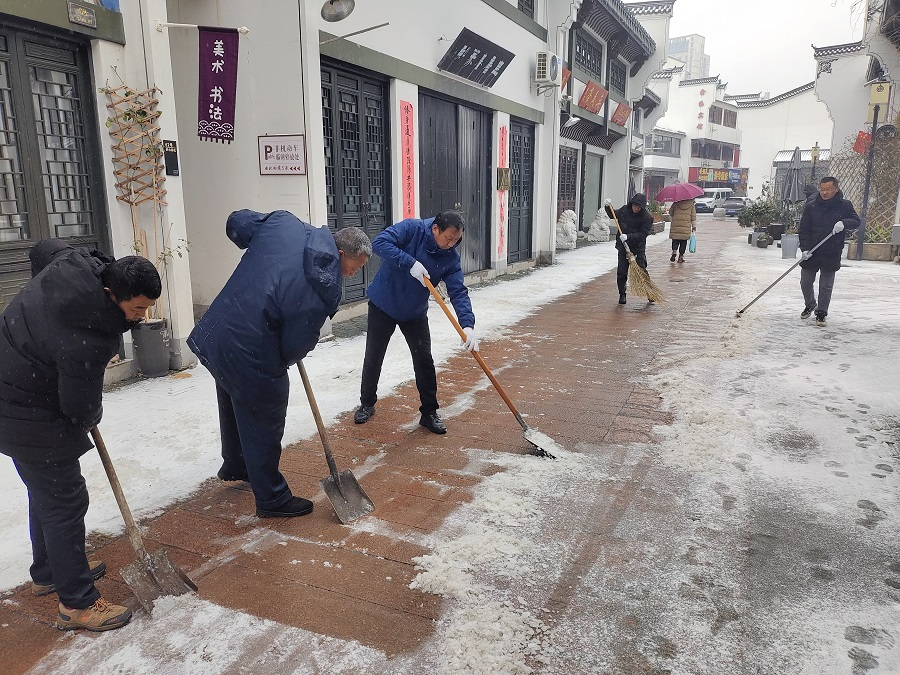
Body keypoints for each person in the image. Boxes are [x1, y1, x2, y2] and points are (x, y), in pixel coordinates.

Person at [0, 240, 161, 632]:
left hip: (11, 387)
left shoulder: (76, 265)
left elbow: (45, 249)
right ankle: (77, 603)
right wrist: (92, 414)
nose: (141, 317)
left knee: (45, 490)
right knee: (65, 501)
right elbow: (79, 406)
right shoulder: (87, 335)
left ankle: (49, 570)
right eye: (136, 309)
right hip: (25, 410)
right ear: (111, 293)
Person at [188, 211, 370, 518]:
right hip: (250, 347)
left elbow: (237, 223)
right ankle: (271, 498)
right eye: (356, 267)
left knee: (234, 393)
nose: (353, 274)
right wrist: (278, 362)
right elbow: (295, 346)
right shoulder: (324, 287)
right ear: (341, 254)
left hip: (217, 330)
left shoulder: (285, 224)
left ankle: (238, 464)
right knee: (264, 412)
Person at [353, 211, 478, 435]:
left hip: (414, 312)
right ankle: (367, 403)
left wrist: (467, 325)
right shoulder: (412, 229)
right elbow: (379, 243)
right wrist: (410, 263)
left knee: (424, 361)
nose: (451, 244)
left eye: (456, 240)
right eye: (448, 238)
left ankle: (429, 412)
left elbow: (458, 291)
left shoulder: (450, 258)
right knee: (374, 356)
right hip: (383, 304)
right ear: (435, 229)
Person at [798, 176, 860, 327]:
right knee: (805, 282)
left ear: (836, 189)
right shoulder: (811, 206)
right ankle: (810, 304)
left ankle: (821, 313)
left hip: (831, 251)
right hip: (812, 250)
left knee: (826, 285)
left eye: (828, 189)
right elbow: (804, 229)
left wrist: (843, 223)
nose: (824, 192)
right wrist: (805, 249)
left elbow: (856, 221)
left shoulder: (844, 205)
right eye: (822, 189)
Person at [605, 194, 654, 305]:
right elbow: (613, 215)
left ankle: (650, 292)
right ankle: (622, 294)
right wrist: (607, 207)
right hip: (623, 247)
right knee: (622, 272)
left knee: (641, 270)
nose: (636, 208)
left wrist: (628, 236)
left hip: (638, 248)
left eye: (639, 207)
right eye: (635, 206)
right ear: (631, 204)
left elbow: (643, 234)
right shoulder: (624, 210)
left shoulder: (647, 218)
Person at [668, 198, 696, 263]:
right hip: (685, 226)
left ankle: (674, 251)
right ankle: (681, 256)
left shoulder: (675, 203)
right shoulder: (691, 205)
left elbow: (670, 213)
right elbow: (693, 217)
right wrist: (694, 226)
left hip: (676, 224)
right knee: (683, 242)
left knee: (675, 240)